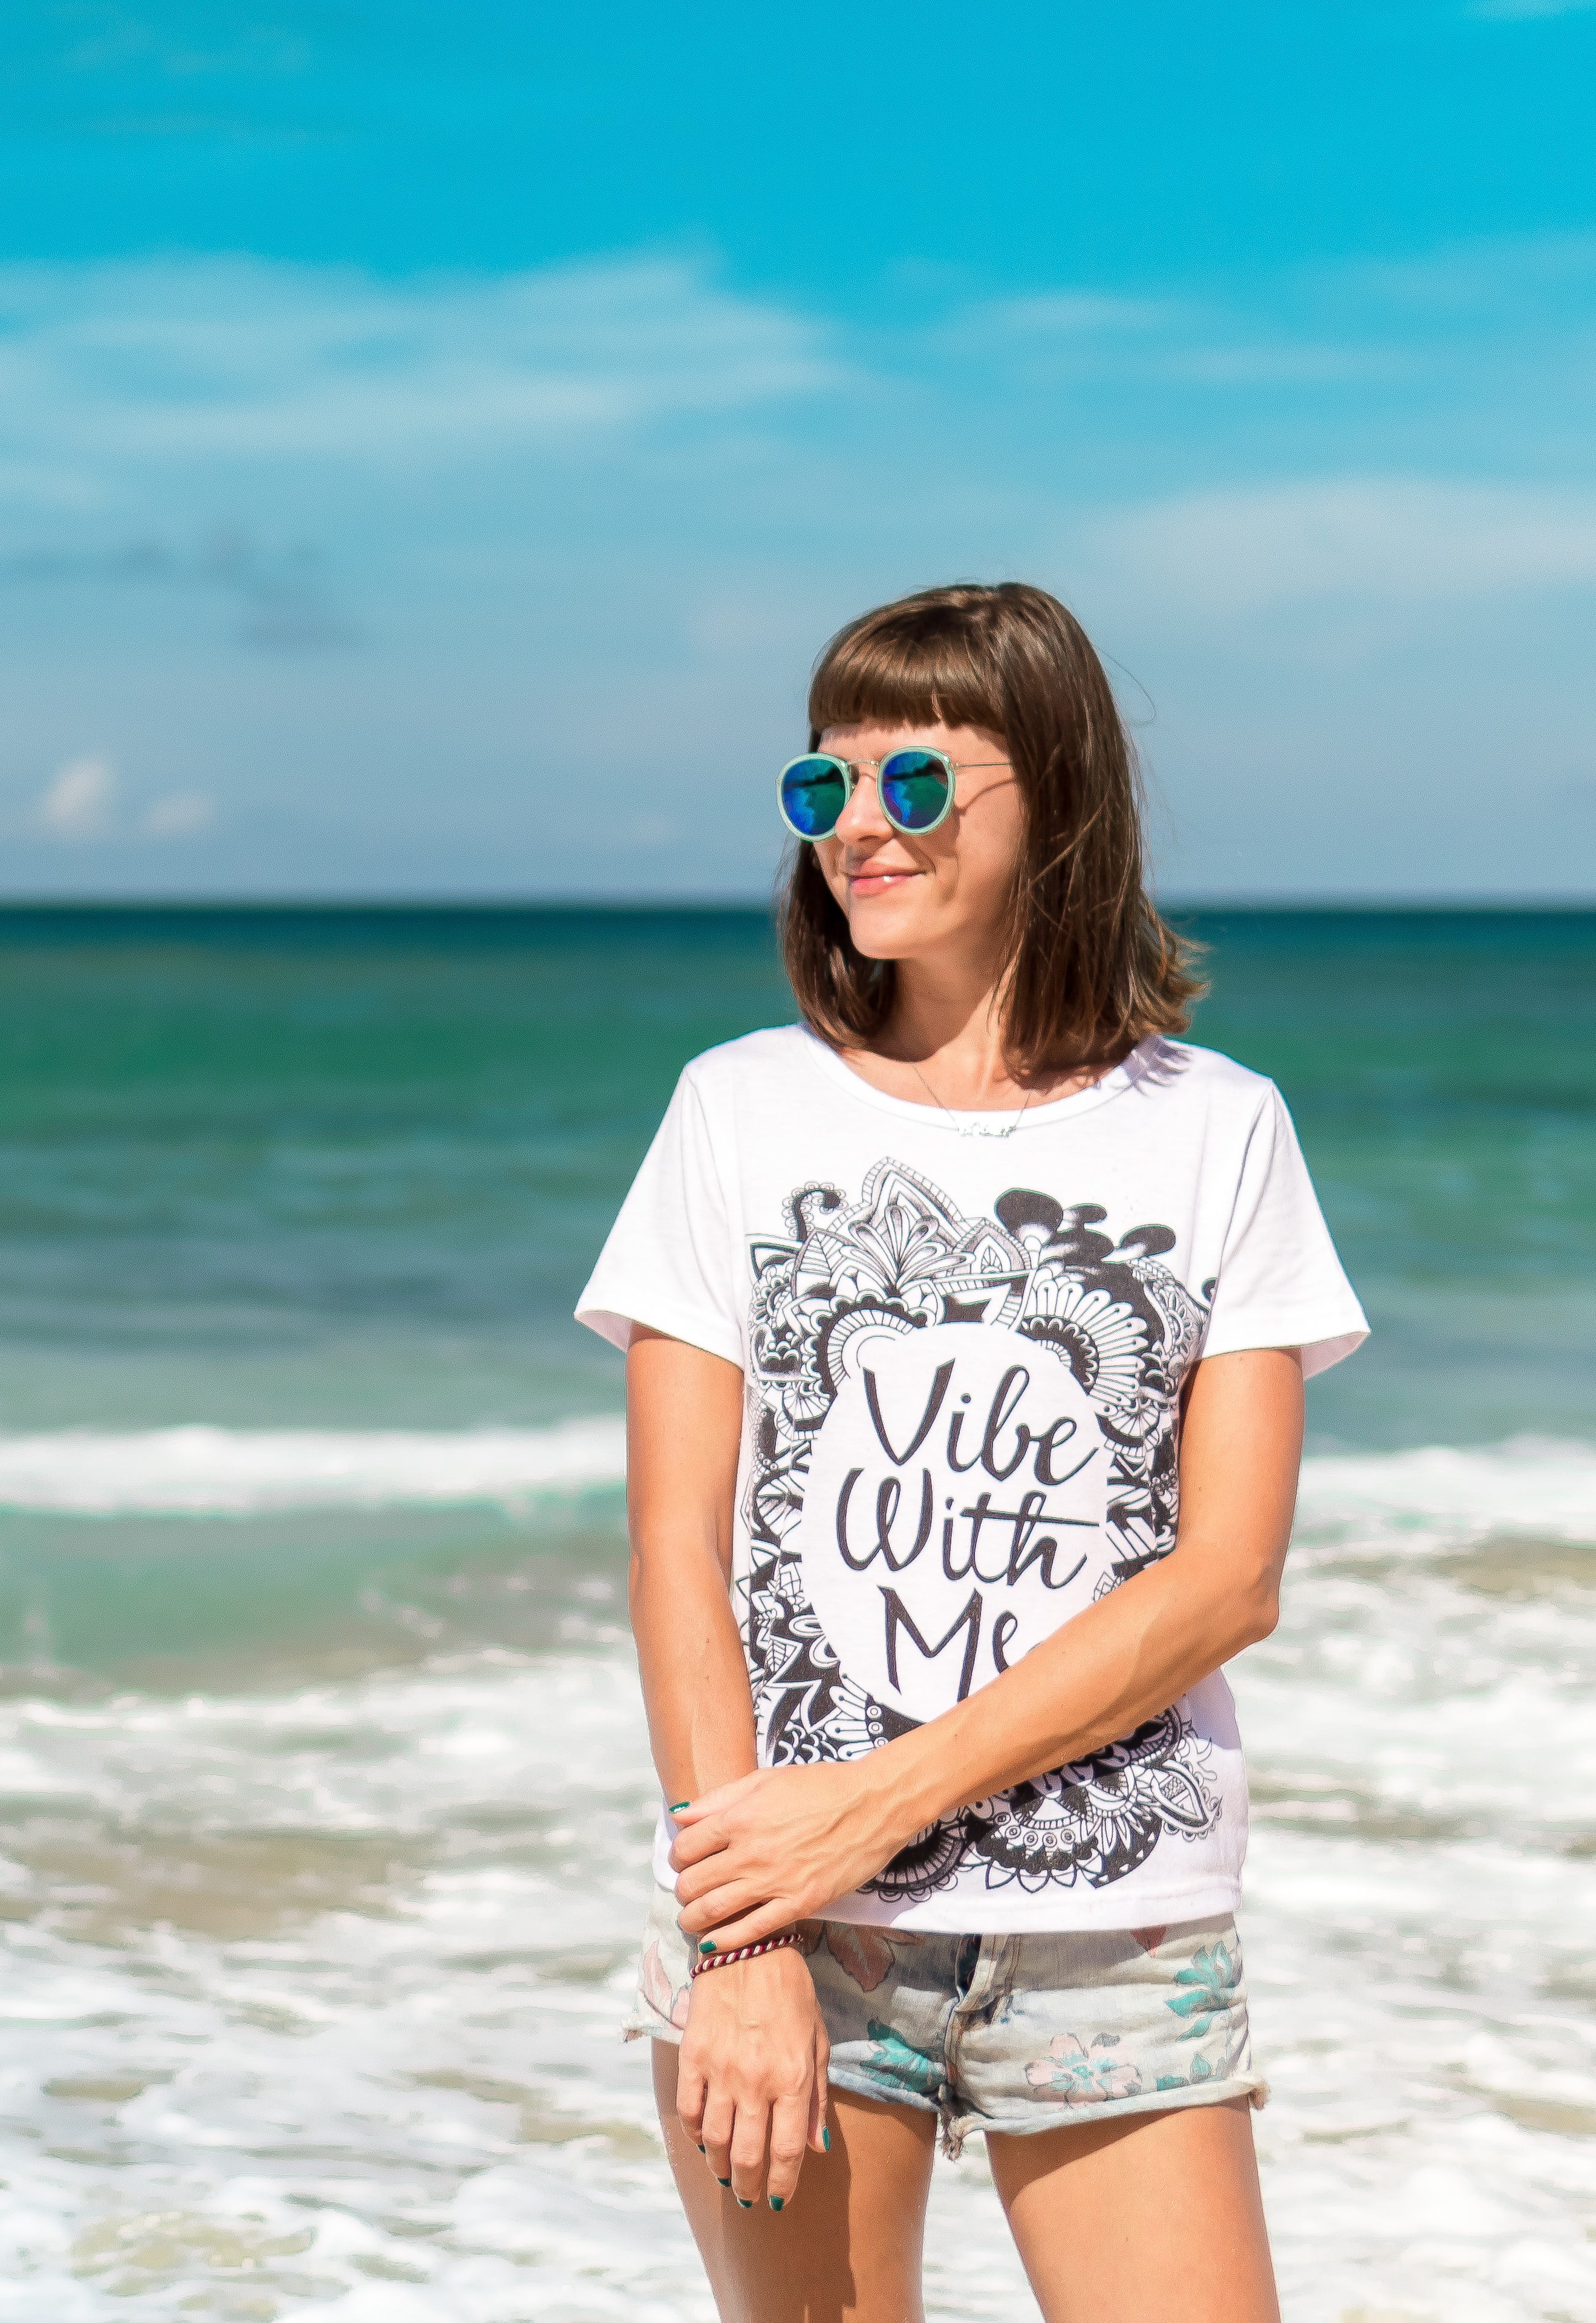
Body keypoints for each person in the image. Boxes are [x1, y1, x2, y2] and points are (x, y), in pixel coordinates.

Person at [574, 583, 1366, 2321]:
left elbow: (1225, 1578)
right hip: (790, 1923)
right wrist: (748, 1934)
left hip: (1112, 1916)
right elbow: (674, 1559)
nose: (859, 825)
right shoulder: (735, 1108)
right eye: (822, 786)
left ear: (1056, 798)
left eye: (915, 783)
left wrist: (875, 1797)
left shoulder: (1218, 1129)